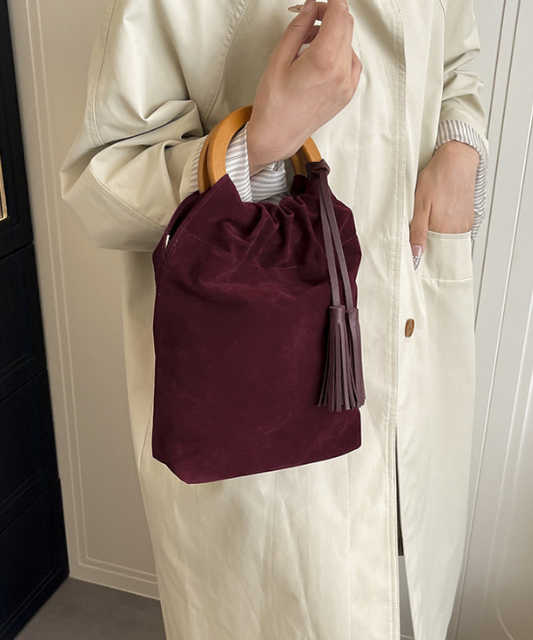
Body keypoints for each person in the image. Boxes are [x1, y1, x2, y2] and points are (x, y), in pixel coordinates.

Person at [59, 0, 489, 638]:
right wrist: (260, 144)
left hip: (417, 343)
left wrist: (460, 147)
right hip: (266, 394)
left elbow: (456, 58)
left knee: (414, 584)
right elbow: (101, 184)